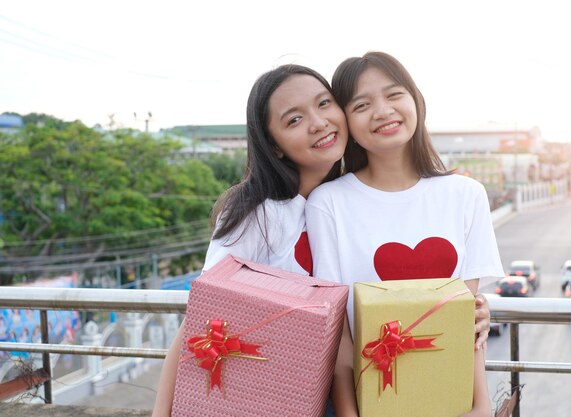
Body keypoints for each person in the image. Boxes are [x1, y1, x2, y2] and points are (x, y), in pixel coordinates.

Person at [306, 51, 504, 417]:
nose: (383, 111)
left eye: (394, 94)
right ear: (346, 121)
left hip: (449, 400)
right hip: (369, 403)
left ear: (416, 100)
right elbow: (339, 338)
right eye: (362, 104)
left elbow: (466, 321)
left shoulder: (465, 194)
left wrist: (480, 406)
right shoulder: (328, 203)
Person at [151, 64, 349, 417]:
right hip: (268, 397)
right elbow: (200, 323)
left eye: (324, 104)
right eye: (294, 120)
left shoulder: (354, 200)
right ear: (273, 146)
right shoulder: (259, 214)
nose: (318, 122)